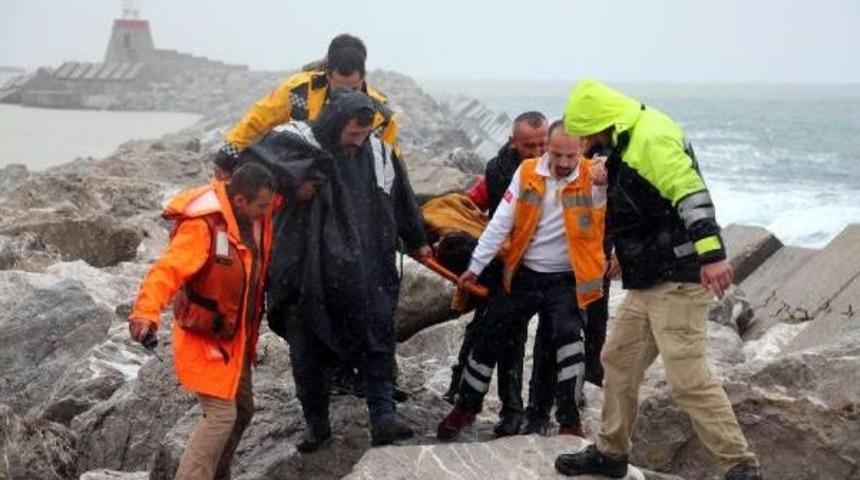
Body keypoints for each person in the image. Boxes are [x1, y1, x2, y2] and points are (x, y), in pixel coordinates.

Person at [554, 79, 762, 480]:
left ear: (600, 121)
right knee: (618, 360)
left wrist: (713, 256)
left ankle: (740, 466)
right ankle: (611, 453)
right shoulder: (626, 136)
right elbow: (642, 197)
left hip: (677, 279)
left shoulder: (651, 139)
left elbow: (689, 193)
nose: (585, 144)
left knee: (688, 380)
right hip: (649, 278)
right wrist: (610, 177)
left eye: (587, 135)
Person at [234, 90, 431, 452]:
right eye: (352, 133)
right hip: (305, 267)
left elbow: (402, 198)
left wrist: (418, 240)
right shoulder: (295, 140)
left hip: (367, 268)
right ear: (336, 120)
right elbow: (254, 165)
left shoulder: (378, 153)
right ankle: (316, 423)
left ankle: (383, 417)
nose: (357, 142)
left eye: (364, 134)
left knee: (377, 338)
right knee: (306, 348)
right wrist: (298, 180)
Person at [437, 121, 607, 441]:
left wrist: (605, 177)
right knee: (489, 333)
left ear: (583, 149)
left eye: (571, 156)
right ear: (548, 149)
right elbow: (501, 222)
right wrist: (476, 265)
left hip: (567, 280)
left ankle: (568, 420)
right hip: (525, 274)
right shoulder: (527, 172)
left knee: (569, 341)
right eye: (556, 154)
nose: (563, 163)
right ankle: (466, 406)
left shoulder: (596, 176)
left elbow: (616, 201)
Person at [127, 163, 276, 480]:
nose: (267, 213)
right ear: (240, 201)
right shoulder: (202, 226)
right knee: (221, 416)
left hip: (235, 339)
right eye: (262, 207)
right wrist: (145, 313)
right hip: (205, 337)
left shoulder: (251, 216)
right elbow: (167, 270)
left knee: (242, 410)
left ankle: (218, 475)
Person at [214, 34, 398, 178]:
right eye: (340, 90)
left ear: (363, 77)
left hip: (350, 183)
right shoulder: (299, 91)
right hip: (297, 175)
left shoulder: (381, 117)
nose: (347, 96)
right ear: (328, 75)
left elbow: (388, 166)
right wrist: (227, 154)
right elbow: (259, 119)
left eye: (354, 89)